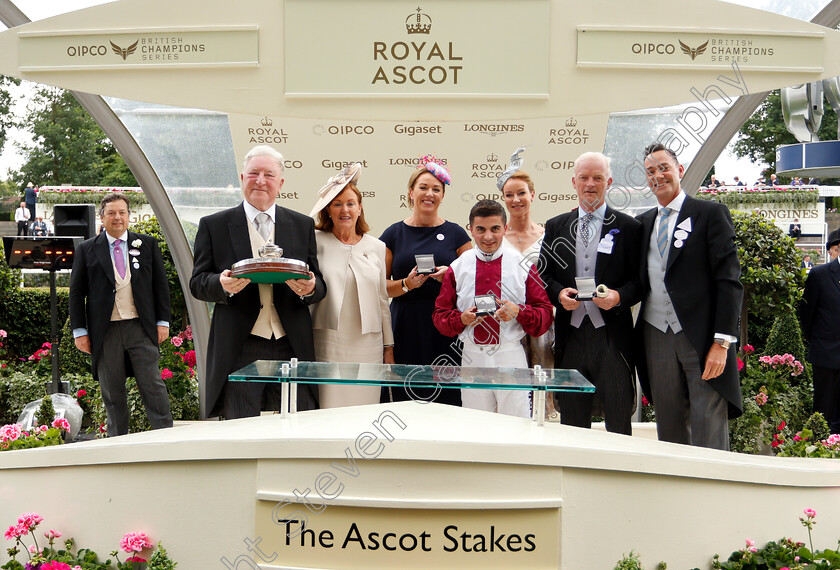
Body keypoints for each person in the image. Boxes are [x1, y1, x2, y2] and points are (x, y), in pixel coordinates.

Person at [190, 145, 326, 419]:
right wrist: (221, 284)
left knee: (300, 423)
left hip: (291, 343)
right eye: (253, 173)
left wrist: (311, 288)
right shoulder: (214, 225)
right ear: (242, 178)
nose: (260, 181)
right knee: (240, 427)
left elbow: (318, 281)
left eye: (268, 174)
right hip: (240, 344)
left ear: (281, 183)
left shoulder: (301, 225)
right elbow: (198, 282)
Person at [636, 143, 743, 450]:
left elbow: (729, 282)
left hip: (702, 338)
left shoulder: (710, 214)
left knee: (708, 425)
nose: (658, 175)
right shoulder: (642, 224)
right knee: (668, 426)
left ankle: (715, 494)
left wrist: (722, 343)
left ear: (679, 170)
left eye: (664, 168)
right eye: (651, 171)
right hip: (655, 333)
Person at [538, 152, 643, 434]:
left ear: (609, 181)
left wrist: (618, 297)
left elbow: (640, 281)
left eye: (597, 178)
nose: (590, 184)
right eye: (584, 178)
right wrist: (559, 294)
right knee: (572, 422)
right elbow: (543, 275)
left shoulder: (629, 228)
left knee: (619, 420)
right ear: (574, 182)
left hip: (612, 338)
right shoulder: (556, 226)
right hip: (571, 338)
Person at [433, 199, 552, 417]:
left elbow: (544, 315)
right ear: (471, 230)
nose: (488, 237)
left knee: (517, 426)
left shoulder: (523, 265)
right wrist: (461, 319)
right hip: (471, 358)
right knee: (475, 425)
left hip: (511, 355)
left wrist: (519, 312)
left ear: (505, 229)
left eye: (495, 229)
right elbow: (439, 316)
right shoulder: (457, 267)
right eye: (481, 229)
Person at [69, 192, 173, 436]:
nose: (118, 217)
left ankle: (167, 439)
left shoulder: (146, 244)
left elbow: (161, 286)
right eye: (112, 213)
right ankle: (118, 444)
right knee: (112, 392)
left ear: (129, 216)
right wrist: (80, 331)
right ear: (102, 218)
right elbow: (76, 293)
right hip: (106, 332)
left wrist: (163, 321)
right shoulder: (87, 249)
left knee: (153, 387)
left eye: (122, 212)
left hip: (141, 327)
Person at [380, 156, 472, 405]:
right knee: (405, 397)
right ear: (411, 193)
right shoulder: (392, 234)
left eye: (436, 189)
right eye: (423, 187)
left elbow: (473, 284)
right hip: (404, 326)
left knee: (447, 399)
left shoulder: (457, 234)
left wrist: (448, 279)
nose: (429, 193)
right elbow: (380, 287)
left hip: (445, 328)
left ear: (443, 195)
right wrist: (406, 284)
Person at [308, 163, 394, 408]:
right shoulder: (314, 241)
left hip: (368, 345)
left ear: (360, 208)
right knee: (328, 408)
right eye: (337, 204)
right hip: (326, 342)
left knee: (363, 408)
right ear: (328, 210)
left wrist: (389, 346)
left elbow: (382, 300)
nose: (344, 209)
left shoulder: (377, 246)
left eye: (350, 203)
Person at [498, 149, 556, 418]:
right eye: (509, 195)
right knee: (510, 387)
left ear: (532, 194)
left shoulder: (548, 236)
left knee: (544, 381)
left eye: (521, 193)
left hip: (541, 324)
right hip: (505, 323)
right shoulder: (494, 238)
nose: (516, 199)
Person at [800, 229, 840, 434]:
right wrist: (818, 340)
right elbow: (806, 313)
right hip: (826, 353)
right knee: (824, 410)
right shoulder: (819, 274)